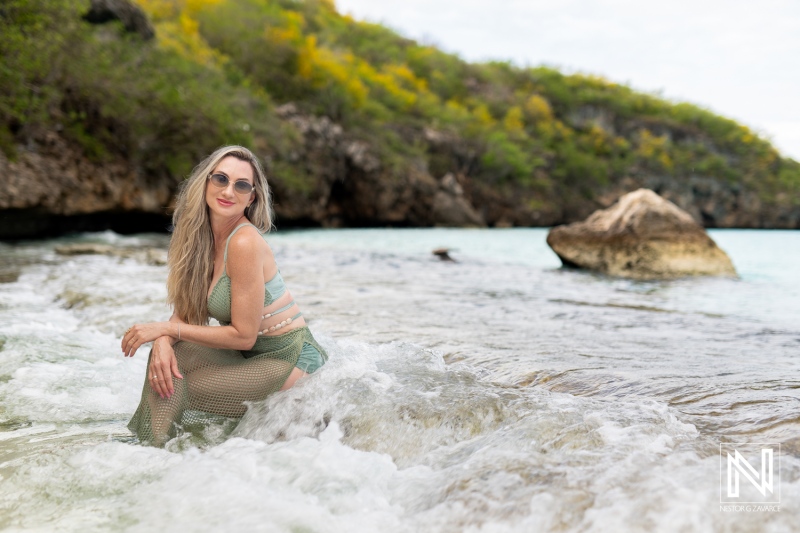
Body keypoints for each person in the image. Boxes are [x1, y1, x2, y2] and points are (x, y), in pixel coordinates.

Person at [122, 145, 327, 446]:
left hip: (288, 357)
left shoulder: (244, 242)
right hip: (250, 355)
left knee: (177, 384)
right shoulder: (199, 240)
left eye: (241, 185)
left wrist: (164, 330)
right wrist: (163, 341)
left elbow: (244, 335)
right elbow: (186, 315)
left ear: (251, 197)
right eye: (220, 179)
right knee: (167, 358)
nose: (228, 191)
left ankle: (149, 456)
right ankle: (150, 450)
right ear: (206, 182)